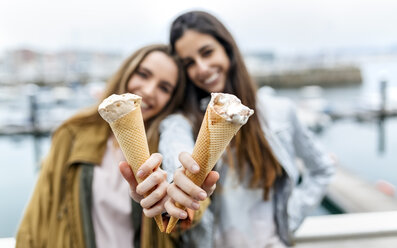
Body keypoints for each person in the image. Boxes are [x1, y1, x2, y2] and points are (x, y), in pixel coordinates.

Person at [161, 11, 335, 247]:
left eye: (207, 52)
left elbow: (322, 169)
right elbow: (176, 152)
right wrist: (178, 178)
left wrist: (289, 216)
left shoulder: (279, 112)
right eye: (189, 63)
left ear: (228, 49)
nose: (201, 68)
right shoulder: (182, 122)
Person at [15, 44, 211, 248]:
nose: (148, 91)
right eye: (143, 74)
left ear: (171, 100)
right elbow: (38, 214)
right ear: (126, 72)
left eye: (164, 88)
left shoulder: (170, 143)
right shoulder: (72, 133)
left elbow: (185, 217)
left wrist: (183, 202)